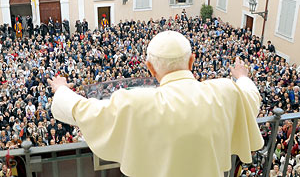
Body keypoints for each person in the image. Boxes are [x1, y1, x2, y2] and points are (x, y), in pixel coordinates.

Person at [48, 31, 264, 177]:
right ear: (192, 61)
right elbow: (251, 97)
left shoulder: (134, 102)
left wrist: (62, 90)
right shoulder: (225, 91)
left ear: (150, 68)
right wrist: (243, 76)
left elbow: (84, 111)